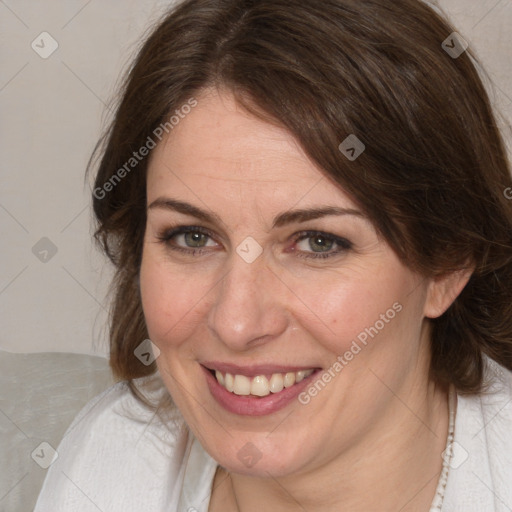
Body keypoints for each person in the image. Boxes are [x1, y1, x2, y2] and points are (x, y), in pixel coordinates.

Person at [35, 0, 512, 510]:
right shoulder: (110, 458)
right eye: (193, 237)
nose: (237, 323)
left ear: (447, 264)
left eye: (318, 242)